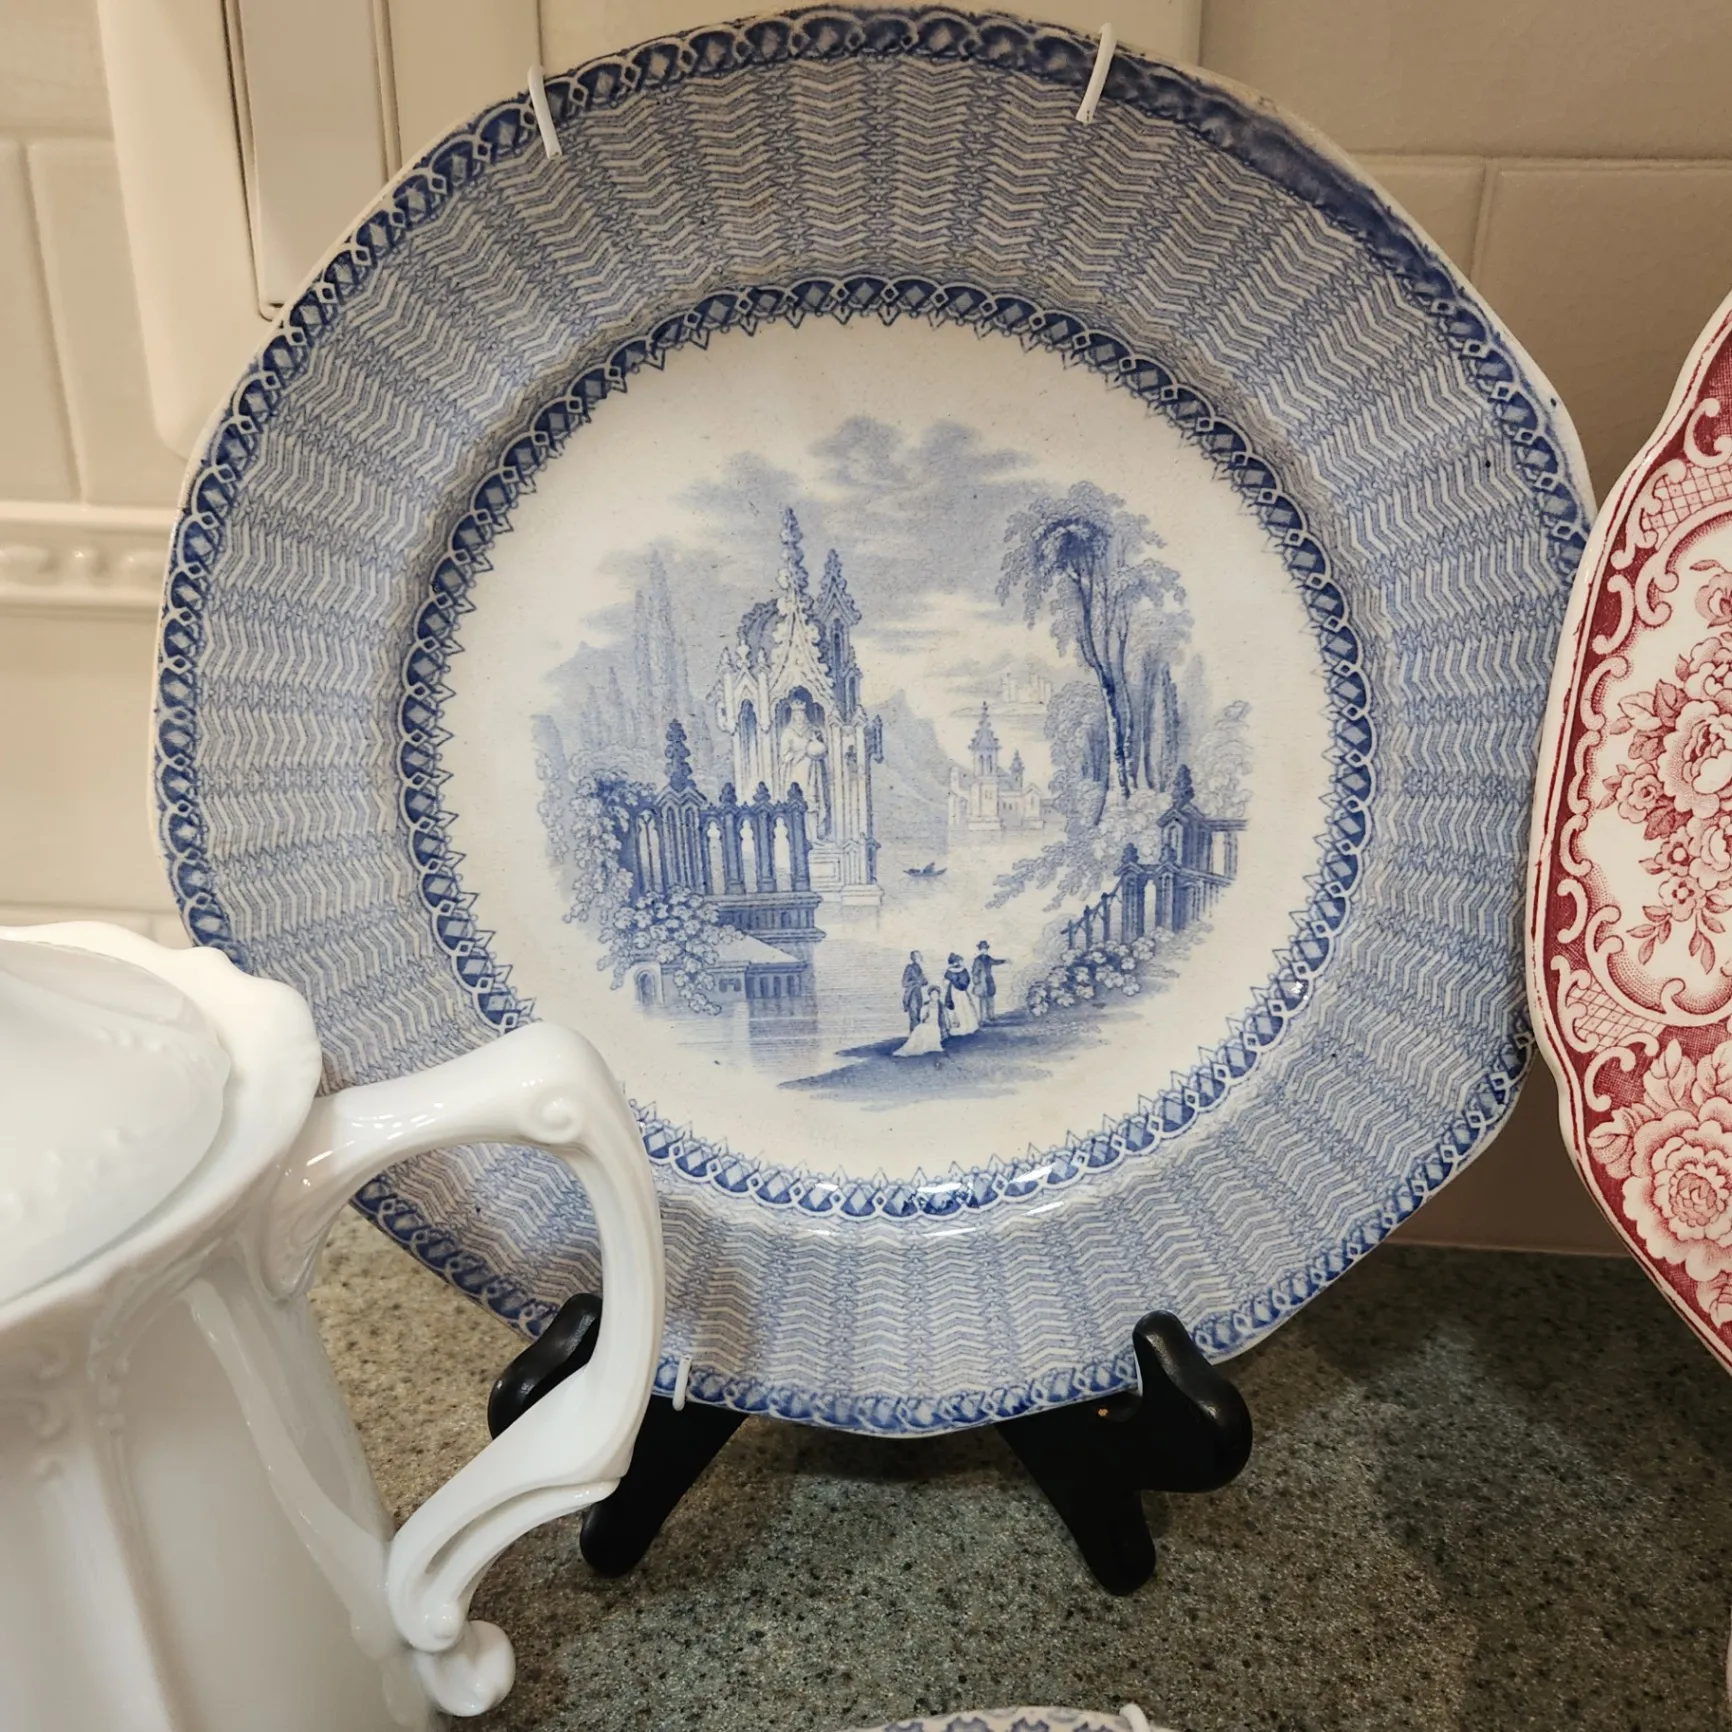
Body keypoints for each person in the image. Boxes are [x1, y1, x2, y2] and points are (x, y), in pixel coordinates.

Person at [894, 982, 946, 1057]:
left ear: (938, 995)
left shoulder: (941, 1005)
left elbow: (944, 1019)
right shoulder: (927, 1004)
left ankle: (926, 1046)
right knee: (919, 1028)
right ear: (930, 995)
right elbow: (922, 1017)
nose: (934, 996)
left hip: (936, 1025)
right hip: (928, 1023)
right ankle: (913, 1047)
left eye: (936, 994)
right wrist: (925, 1019)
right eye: (933, 994)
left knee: (927, 1030)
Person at [942, 953, 979, 1037]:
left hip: (954, 992)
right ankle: (969, 1026)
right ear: (956, 962)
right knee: (964, 1007)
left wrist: (952, 983)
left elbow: (945, 983)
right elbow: (967, 981)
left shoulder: (949, 972)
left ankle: (964, 1027)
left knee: (960, 1008)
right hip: (961, 992)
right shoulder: (963, 970)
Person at [971, 939, 1007, 1024]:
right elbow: (974, 972)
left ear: (987, 949)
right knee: (983, 1000)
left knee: (990, 998)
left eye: (985, 948)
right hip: (981, 982)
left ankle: (991, 1016)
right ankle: (983, 1019)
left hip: (989, 980)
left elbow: (995, 962)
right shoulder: (977, 960)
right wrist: (977, 983)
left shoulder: (988, 958)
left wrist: (1004, 961)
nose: (984, 950)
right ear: (980, 949)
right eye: (982, 948)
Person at [901, 950, 927, 1030]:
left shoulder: (919, 968)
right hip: (911, 994)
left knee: (919, 1015)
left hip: (918, 994)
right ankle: (914, 1034)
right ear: (913, 958)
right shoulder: (909, 968)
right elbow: (904, 983)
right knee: (914, 1016)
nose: (920, 957)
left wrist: (922, 981)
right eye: (918, 956)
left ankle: (917, 1034)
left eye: (919, 956)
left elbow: (925, 981)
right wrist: (916, 982)